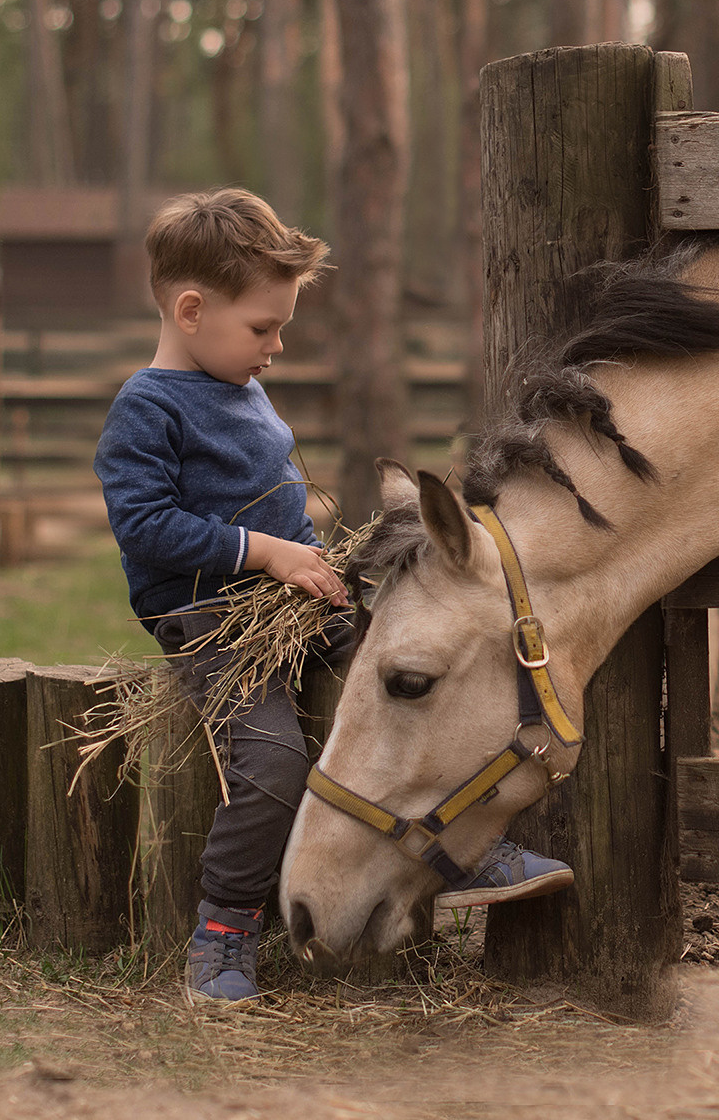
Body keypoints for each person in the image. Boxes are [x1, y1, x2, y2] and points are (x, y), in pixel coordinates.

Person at [95, 188, 571, 1004]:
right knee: (276, 760)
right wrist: (269, 551)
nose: (277, 345)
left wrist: (312, 558)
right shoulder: (147, 407)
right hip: (217, 620)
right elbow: (144, 527)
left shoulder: (236, 379)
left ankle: (464, 844)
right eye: (263, 327)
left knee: (415, 688)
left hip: (292, 605)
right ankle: (224, 924)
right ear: (190, 308)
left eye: (281, 327)